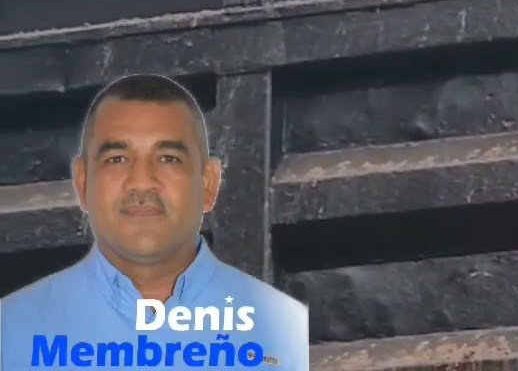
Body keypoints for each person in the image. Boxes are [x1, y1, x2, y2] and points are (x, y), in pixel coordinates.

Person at [0, 73, 309, 370]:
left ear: (209, 184)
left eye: (168, 159)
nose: (142, 182)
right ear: (82, 184)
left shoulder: (281, 330)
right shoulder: (12, 333)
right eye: (117, 160)